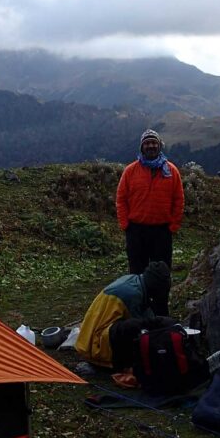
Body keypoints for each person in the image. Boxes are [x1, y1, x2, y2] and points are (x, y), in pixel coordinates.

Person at [115, 129, 184, 315]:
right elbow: (121, 199)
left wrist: (173, 226)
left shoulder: (172, 171)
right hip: (136, 231)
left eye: (154, 142)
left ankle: (161, 312)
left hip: (161, 232)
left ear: (159, 145)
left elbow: (179, 200)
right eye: (147, 143)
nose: (151, 146)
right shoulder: (130, 171)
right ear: (142, 147)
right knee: (137, 274)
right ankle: (139, 312)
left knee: (161, 274)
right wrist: (125, 225)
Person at [75, 262, 171, 368]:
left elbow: (147, 314)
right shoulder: (132, 294)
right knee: (134, 327)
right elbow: (142, 326)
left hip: (90, 336)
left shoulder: (135, 280)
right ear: (155, 286)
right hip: (95, 345)